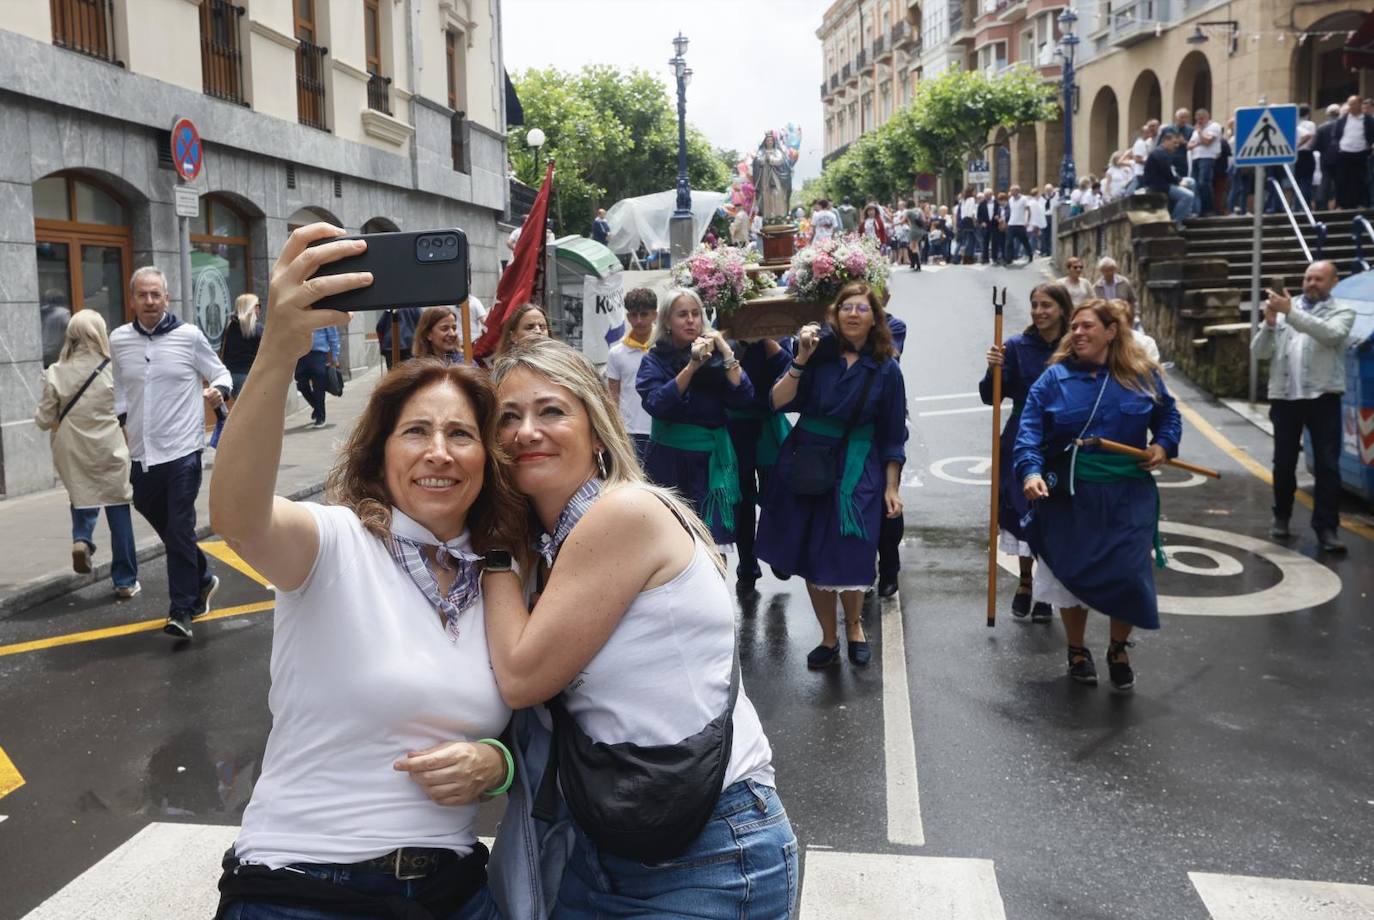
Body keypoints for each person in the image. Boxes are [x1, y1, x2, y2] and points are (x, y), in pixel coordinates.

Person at [209, 223, 522, 920]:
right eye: (416, 432)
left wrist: (496, 764)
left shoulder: (501, 575)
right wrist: (279, 351)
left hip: (453, 891)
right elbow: (239, 515)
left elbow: (545, 721)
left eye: (461, 434)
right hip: (301, 886)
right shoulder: (335, 543)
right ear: (381, 455)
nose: (438, 452)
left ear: (486, 459)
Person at [483, 338, 797, 919]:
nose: (527, 431)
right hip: (610, 841)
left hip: (707, 852)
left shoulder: (621, 514)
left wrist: (495, 549)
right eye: (508, 417)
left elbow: (522, 678)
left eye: (551, 410)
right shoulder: (554, 541)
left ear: (597, 429)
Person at [1016, 299, 1182, 692]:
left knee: (1128, 573)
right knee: (1069, 574)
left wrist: (1163, 444)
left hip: (1128, 494)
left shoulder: (1142, 376)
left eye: (1087, 326)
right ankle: (1076, 650)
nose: (1077, 333)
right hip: (1071, 494)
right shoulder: (1052, 380)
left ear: (1112, 331)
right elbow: (1029, 433)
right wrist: (1031, 471)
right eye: (1073, 327)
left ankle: (1118, 648)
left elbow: (1168, 416)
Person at [756, 282, 907, 670]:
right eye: (846, 308)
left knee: (851, 549)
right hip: (808, 460)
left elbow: (892, 433)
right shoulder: (817, 357)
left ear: (875, 317)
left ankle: (854, 626)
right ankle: (829, 636)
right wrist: (801, 359)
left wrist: (892, 486)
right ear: (834, 315)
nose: (853, 314)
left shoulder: (887, 368)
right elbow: (777, 401)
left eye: (862, 308)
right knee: (812, 552)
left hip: (859, 466)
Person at [110, 266, 230, 639]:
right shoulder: (119, 340)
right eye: (142, 295)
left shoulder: (188, 336)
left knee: (179, 526)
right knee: (161, 520)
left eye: (155, 295)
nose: (149, 301)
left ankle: (182, 609)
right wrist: (124, 420)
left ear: (167, 298)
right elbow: (120, 389)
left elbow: (221, 373)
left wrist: (218, 392)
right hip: (143, 454)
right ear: (132, 299)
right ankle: (203, 577)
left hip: (182, 451)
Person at [979, 282, 1072, 623]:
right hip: (1022, 436)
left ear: (1062, 308)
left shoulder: (1074, 346)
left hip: (1063, 439)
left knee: (1054, 513)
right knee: (1022, 509)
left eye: (1046, 305)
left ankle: (1046, 592)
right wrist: (994, 369)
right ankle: (1025, 580)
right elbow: (991, 397)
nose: (1038, 311)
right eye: (1034, 305)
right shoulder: (1016, 346)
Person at [34, 310, 140, 599]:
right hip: (110, 446)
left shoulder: (56, 371)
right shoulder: (113, 369)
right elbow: (130, 409)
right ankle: (125, 580)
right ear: (99, 333)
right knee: (118, 508)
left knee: (82, 495)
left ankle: (82, 538)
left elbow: (44, 420)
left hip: (72, 446)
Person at [1251, 261, 1355, 553]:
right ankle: (1281, 516)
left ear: (1333, 282)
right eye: (1308, 278)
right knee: (1283, 463)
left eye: (1319, 279)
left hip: (1323, 398)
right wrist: (1270, 325)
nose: (1311, 283)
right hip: (1285, 398)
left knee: (1327, 466)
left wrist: (1289, 313)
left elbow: (1330, 334)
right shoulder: (1287, 308)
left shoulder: (1342, 311)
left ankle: (1327, 528)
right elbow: (1259, 353)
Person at [636, 288, 753, 546]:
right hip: (670, 462)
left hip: (712, 459)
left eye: (695, 314)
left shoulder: (718, 355)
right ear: (667, 321)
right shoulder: (654, 360)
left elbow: (743, 398)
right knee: (676, 540)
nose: (690, 320)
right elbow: (656, 403)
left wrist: (725, 351)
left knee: (714, 538)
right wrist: (692, 367)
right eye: (682, 315)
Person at [726, 335, 794, 597]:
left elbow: (789, 368)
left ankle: (776, 552)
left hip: (768, 426)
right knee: (741, 502)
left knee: (775, 496)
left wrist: (766, 339)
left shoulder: (777, 336)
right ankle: (747, 565)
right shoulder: (727, 336)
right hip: (735, 428)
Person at [604, 287, 657, 464]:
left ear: (655, 315)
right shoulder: (616, 352)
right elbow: (613, 394)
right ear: (627, 317)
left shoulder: (666, 346)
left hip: (662, 427)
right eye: (634, 315)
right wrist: (615, 429)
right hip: (630, 430)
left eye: (644, 314)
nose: (639, 320)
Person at [1144, 128, 1195, 225]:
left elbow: (1172, 172)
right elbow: (1167, 173)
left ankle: (1187, 212)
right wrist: (1178, 182)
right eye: (1174, 143)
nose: (1176, 146)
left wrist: (1179, 180)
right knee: (1188, 196)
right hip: (1159, 186)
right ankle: (1175, 222)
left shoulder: (1165, 153)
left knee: (1191, 181)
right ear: (1166, 141)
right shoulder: (1159, 154)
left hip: (1166, 182)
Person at [296, 322, 340, 429]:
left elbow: (333, 336)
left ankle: (321, 417)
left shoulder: (324, 315)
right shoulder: (300, 313)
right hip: (301, 355)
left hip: (318, 355)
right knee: (301, 384)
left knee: (318, 387)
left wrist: (335, 357)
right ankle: (316, 407)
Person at [220, 293, 263, 399]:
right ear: (252, 308)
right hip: (249, 377)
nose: (259, 309)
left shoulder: (228, 327)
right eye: (258, 306)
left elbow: (223, 350)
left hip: (229, 376)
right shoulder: (258, 329)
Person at [1334, 94, 1374, 209]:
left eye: (1353, 104)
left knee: (1360, 179)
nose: (1350, 106)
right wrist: (1338, 146)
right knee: (1342, 179)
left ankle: (1361, 203)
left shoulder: (1368, 120)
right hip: (1344, 152)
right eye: (1349, 104)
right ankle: (1342, 204)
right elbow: (1336, 134)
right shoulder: (1343, 120)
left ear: (1359, 105)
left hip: (1361, 153)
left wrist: (1369, 146)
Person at [1187, 108, 1222, 217]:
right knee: (1195, 185)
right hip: (1195, 159)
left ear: (1207, 117)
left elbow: (1207, 142)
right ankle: (1198, 210)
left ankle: (1208, 209)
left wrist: (1199, 134)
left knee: (1204, 183)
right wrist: (1200, 141)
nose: (1199, 121)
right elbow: (1189, 146)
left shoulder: (1214, 126)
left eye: (1201, 119)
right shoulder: (1196, 130)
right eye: (1197, 119)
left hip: (1207, 157)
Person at [1294, 105, 1317, 209]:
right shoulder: (1310, 124)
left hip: (1296, 155)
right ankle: (1304, 206)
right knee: (1306, 181)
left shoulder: (1295, 124)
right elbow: (1311, 137)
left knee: (1298, 181)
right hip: (1306, 154)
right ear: (1308, 114)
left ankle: (1298, 205)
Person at [1005, 186, 1032, 265]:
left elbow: (1028, 210)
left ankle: (1030, 255)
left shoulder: (1024, 199)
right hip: (1011, 224)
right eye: (1010, 191)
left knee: (1025, 241)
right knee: (1009, 242)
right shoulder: (1010, 200)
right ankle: (1009, 259)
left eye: (1012, 191)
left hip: (1020, 224)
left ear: (1017, 191)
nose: (1011, 192)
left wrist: (1027, 221)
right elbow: (1010, 212)